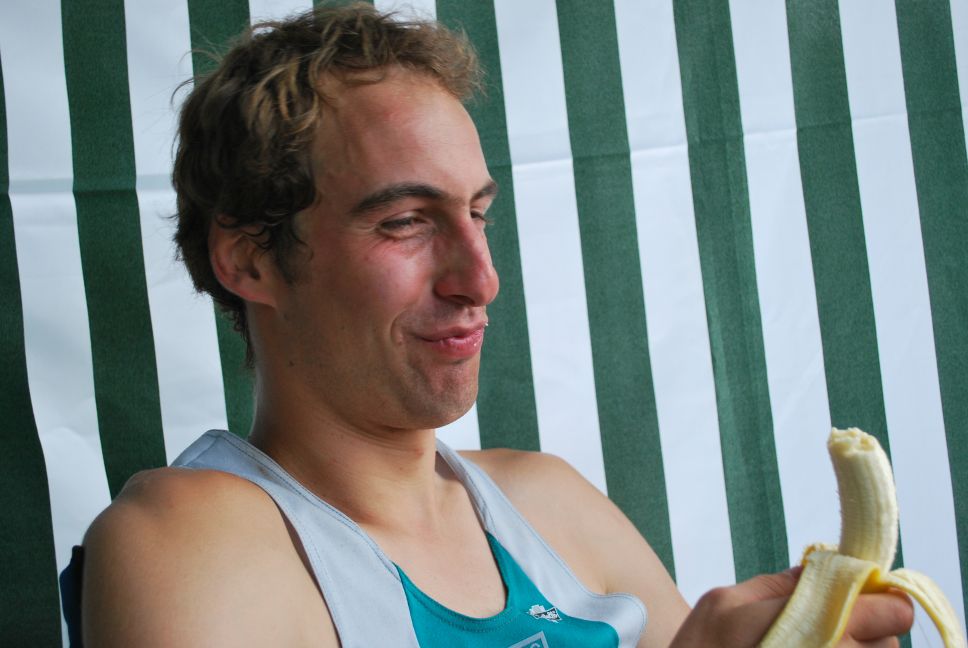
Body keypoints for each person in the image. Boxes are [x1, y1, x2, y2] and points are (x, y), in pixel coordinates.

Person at [78, 4, 913, 646]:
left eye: (478, 213)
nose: (480, 279)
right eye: (405, 222)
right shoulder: (189, 538)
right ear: (249, 259)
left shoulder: (549, 502)